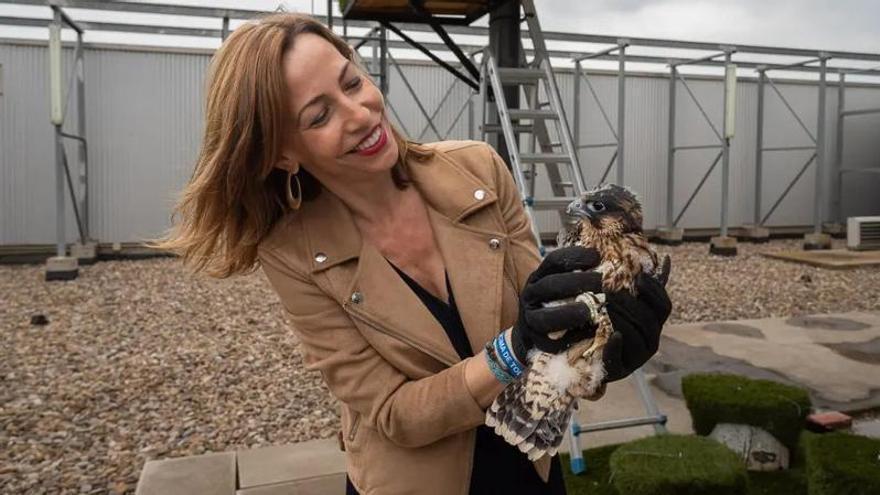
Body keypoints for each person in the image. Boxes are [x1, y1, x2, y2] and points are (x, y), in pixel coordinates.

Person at [151, 13, 671, 495]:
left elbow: (545, 318)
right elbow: (395, 413)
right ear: (283, 152)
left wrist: (599, 349)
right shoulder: (291, 253)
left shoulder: (479, 169)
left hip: (528, 463)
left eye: (353, 82)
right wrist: (515, 348)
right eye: (319, 115)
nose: (360, 114)